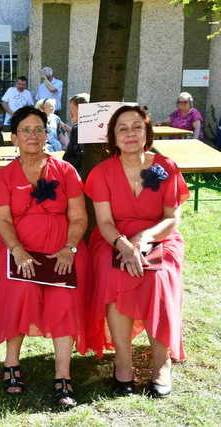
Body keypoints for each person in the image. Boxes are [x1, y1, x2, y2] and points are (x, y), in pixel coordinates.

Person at [0, 106, 89, 406]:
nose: (33, 135)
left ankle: (63, 375)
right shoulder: (4, 175)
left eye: (39, 129)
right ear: (14, 137)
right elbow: (1, 220)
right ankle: (11, 364)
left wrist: (69, 247)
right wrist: (18, 250)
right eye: (26, 130)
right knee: (19, 292)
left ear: (47, 134)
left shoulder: (66, 171)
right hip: (17, 249)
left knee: (63, 300)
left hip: (61, 249)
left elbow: (79, 217)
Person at [85, 105, 189, 398]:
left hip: (160, 237)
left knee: (158, 277)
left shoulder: (165, 167)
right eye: (122, 128)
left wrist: (144, 238)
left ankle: (161, 362)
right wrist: (125, 246)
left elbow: (171, 218)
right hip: (114, 239)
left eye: (137, 127)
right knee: (111, 274)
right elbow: (104, 223)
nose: (130, 133)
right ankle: (123, 362)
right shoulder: (102, 172)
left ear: (147, 133)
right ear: (113, 137)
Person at [63, 93, 90, 175]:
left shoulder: (95, 130)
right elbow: (68, 157)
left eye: (72, 108)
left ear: (81, 110)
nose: (70, 112)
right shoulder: (76, 129)